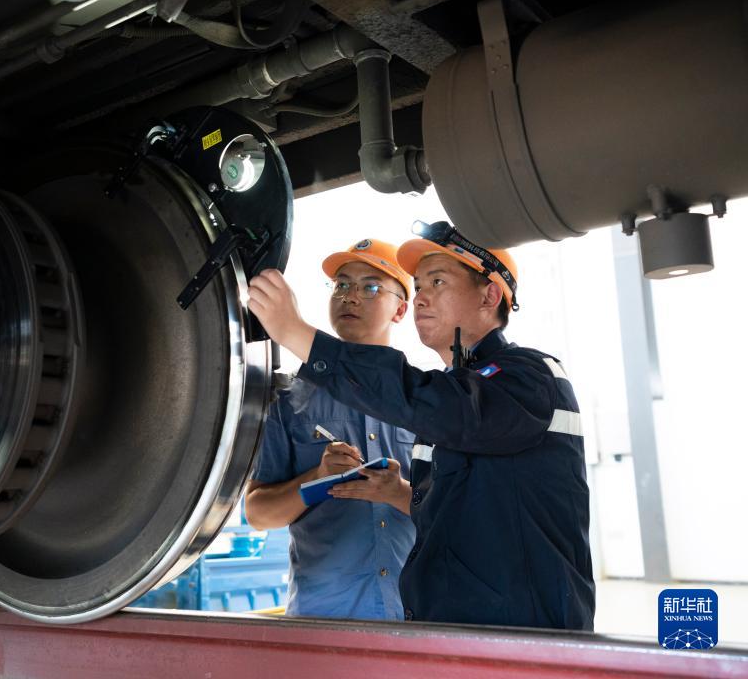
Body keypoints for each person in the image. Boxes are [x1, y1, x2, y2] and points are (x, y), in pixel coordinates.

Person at [247, 221, 595, 631]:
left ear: (490, 295)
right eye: (419, 284)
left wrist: (298, 335)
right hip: (447, 629)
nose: (422, 297)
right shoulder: (441, 400)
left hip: (520, 635)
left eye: (437, 281)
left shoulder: (528, 377)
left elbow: (441, 406)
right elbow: (463, 511)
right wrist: (404, 496)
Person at [244, 239, 417, 620]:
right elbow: (258, 514)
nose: (350, 297)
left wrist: (399, 493)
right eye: (341, 285)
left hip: (417, 615)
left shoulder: (424, 400)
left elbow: (454, 512)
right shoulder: (289, 400)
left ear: (401, 309)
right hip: (325, 620)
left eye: (370, 287)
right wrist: (317, 478)